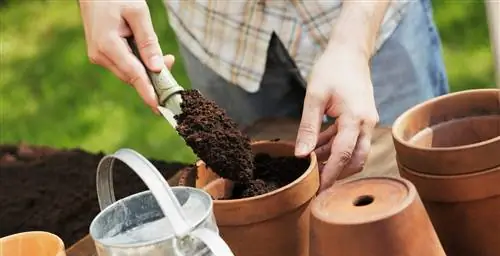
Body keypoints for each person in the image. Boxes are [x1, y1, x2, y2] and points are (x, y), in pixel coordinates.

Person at [78, 0, 449, 191]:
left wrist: (353, 46)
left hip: (362, 18)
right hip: (217, 28)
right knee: (245, 178)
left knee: (414, 189)